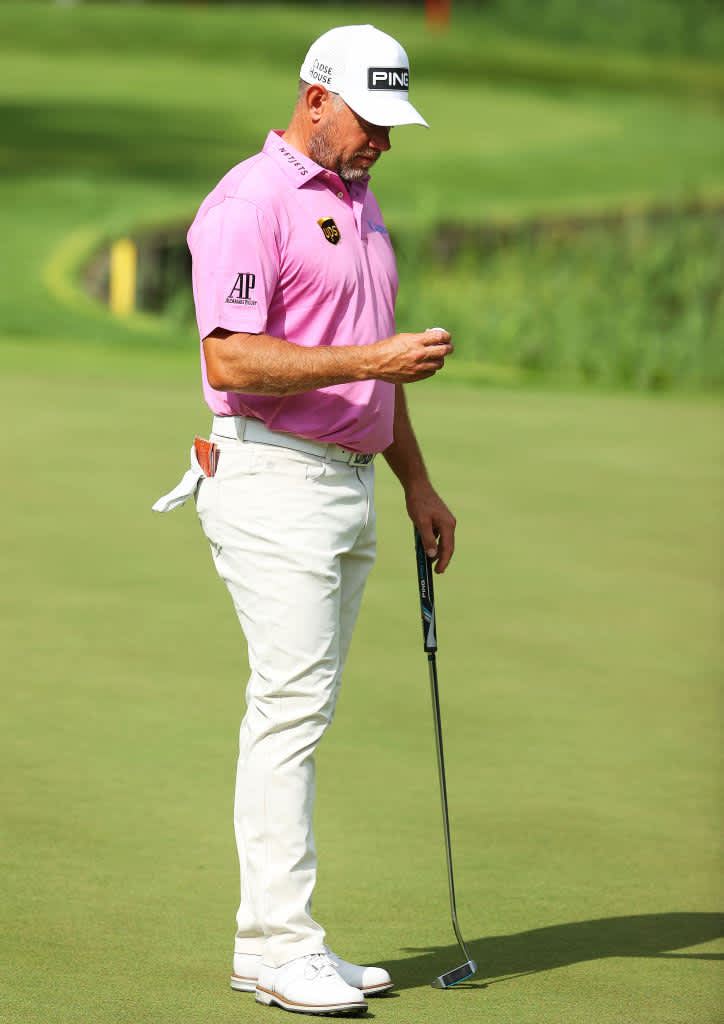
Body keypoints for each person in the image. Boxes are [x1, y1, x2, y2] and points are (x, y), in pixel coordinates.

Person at [154, 23, 456, 1018]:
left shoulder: (361, 205)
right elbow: (230, 358)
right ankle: (286, 946)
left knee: (301, 708)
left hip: (348, 485)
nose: (383, 141)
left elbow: (373, 367)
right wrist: (376, 360)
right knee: (288, 710)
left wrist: (416, 483)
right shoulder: (249, 201)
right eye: (371, 120)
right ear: (316, 98)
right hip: (273, 477)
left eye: (393, 125)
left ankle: (264, 944)